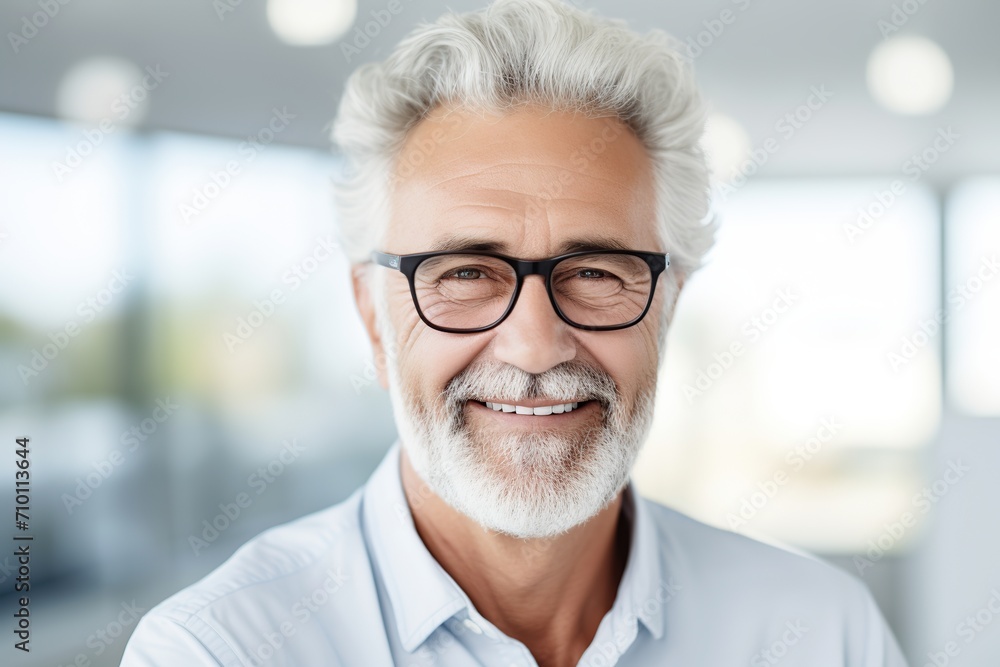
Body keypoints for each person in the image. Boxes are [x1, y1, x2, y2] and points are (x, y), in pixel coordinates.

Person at [121, 0, 910, 664]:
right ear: (371, 315)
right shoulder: (220, 651)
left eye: (597, 271)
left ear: (667, 305)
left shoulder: (822, 635)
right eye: (464, 272)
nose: (535, 345)